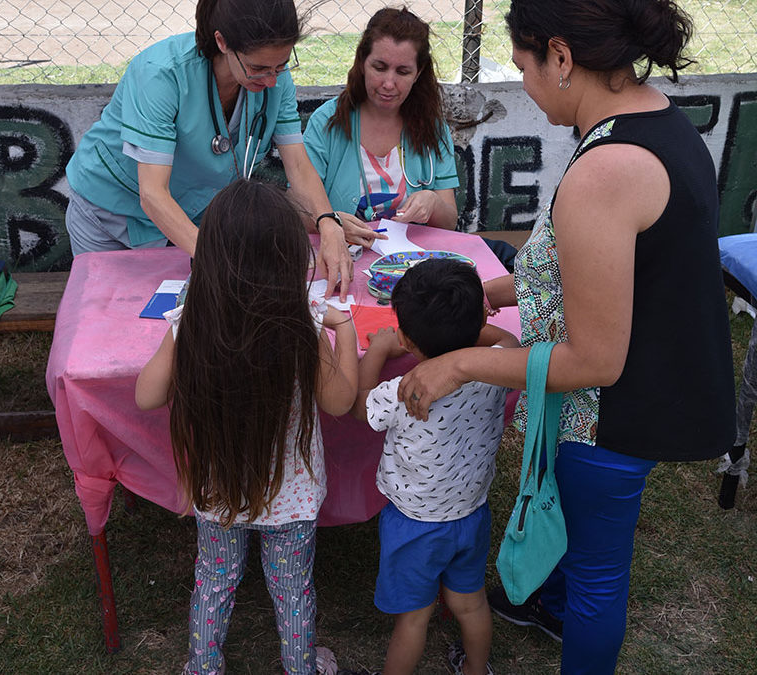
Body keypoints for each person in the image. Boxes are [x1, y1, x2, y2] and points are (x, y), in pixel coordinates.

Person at [396, 1, 736, 673]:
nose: (522, 83)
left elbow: (596, 360)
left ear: (559, 56)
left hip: (613, 417)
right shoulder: (651, 118)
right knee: (572, 535)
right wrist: (490, 292)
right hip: (643, 384)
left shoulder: (604, 171)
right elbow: (608, 269)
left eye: (521, 67)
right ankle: (536, 596)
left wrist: (460, 364)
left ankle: (566, 620)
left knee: (597, 580)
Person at [135, 179, 358, 674]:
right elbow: (340, 401)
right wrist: (343, 330)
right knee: (292, 589)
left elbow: (145, 395)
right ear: (288, 258)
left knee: (214, 579)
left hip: (219, 491)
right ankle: (300, 666)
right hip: (292, 499)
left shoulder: (194, 319)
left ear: (211, 254)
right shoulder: (305, 322)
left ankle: (202, 666)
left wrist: (178, 331)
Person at [65, 0, 371, 299]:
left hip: (186, 218)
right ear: (222, 42)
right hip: (109, 214)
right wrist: (219, 260)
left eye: (282, 65)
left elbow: (299, 167)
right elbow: (153, 194)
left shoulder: (275, 79)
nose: (272, 80)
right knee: (108, 315)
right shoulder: (161, 74)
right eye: (258, 68)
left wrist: (328, 224)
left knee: (177, 320)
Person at [346, 259, 519, 675]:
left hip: (415, 524)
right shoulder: (496, 367)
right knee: (470, 602)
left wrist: (380, 350)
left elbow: (358, 407)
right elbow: (511, 341)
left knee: (415, 617)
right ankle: (476, 669)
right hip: (471, 513)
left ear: (406, 337)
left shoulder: (406, 390)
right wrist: (471, 325)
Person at [303, 7, 460, 236]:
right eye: (379, 67)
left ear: (418, 73)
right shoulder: (326, 122)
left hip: (413, 263)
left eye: (403, 72)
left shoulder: (433, 128)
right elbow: (298, 210)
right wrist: (331, 221)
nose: (389, 83)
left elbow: (449, 223)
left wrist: (433, 202)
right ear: (362, 62)